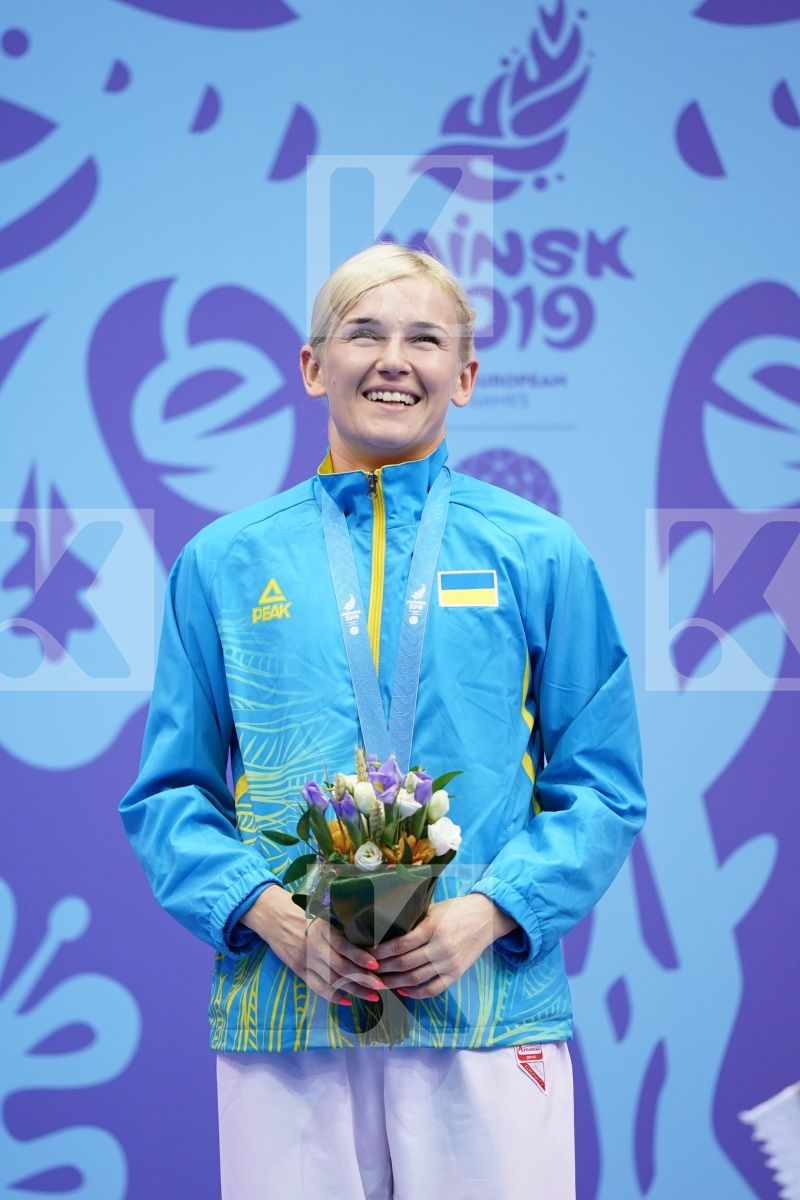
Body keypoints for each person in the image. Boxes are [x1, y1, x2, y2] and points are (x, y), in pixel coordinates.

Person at [120, 242, 646, 1200]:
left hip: (485, 1006)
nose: (393, 359)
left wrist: (488, 915)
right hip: (288, 1011)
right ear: (314, 364)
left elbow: (603, 784)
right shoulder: (223, 562)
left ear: (467, 375)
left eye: (425, 338)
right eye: (364, 332)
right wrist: (270, 918)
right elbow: (169, 793)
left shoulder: (540, 553)